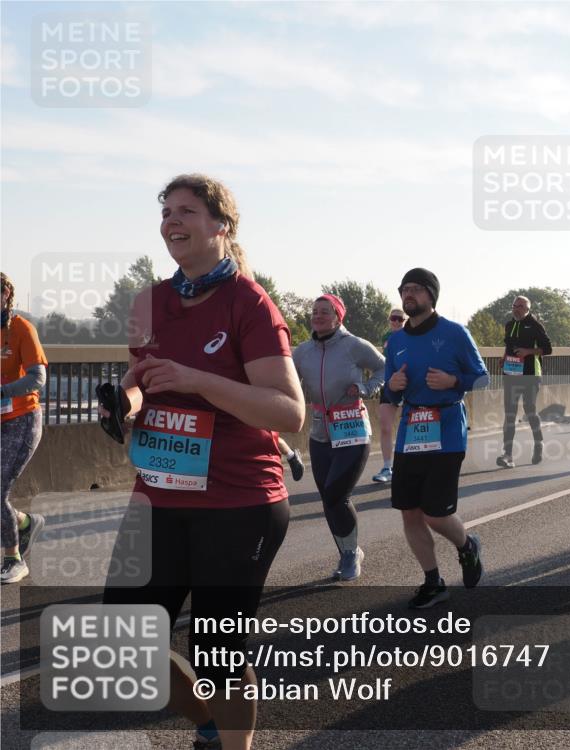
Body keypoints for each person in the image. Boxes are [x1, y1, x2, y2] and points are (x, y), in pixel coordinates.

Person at [100, 174, 306, 750]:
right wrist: (127, 402)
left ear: (222, 226)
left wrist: (197, 379)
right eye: (166, 211)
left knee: (217, 658)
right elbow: (143, 378)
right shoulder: (150, 303)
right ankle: (209, 725)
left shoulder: (250, 303)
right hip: (160, 492)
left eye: (187, 210)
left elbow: (289, 412)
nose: (172, 220)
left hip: (238, 501)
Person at [384, 268, 488, 608]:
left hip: (446, 431)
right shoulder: (395, 341)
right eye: (404, 289)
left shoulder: (456, 333)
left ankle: (466, 546)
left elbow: (483, 379)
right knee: (410, 513)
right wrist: (391, 387)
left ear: (431, 295)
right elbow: (390, 393)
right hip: (411, 431)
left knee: (435, 514)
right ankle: (433, 580)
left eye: (416, 289)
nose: (408, 294)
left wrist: (454, 382)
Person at [292, 293, 384, 581]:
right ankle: (347, 551)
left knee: (336, 493)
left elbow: (385, 368)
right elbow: (287, 380)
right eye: (314, 311)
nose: (317, 316)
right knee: (328, 498)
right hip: (320, 431)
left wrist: (367, 388)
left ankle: (350, 554)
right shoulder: (302, 351)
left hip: (353, 428)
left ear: (338, 316)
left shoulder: (355, 345)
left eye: (325, 311)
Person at [1, 273, 47, 584]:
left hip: (22, 420)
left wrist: (3, 391)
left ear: (5, 293)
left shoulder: (20, 328)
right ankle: (26, 522)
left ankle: (13, 559)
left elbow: (37, 378)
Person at [496, 296, 553, 469]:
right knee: (510, 414)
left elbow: (548, 349)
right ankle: (508, 455)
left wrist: (528, 351)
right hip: (511, 373)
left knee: (530, 410)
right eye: (514, 306)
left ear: (528, 308)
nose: (516, 309)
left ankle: (538, 443)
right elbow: (509, 346)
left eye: (520, 306)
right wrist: (504, 358)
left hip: (530, 374)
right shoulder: (509, 325)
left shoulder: (535, 325)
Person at [373, 308, 406, 483]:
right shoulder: (387, 337)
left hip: (408, 384)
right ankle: (387, 467)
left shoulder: (412, 335)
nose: (396, 322)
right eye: (393, 318)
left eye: (399, 319)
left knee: (407, 427)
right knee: (385, 426)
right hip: (389, 384)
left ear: (405, 320)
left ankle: (406, 466)